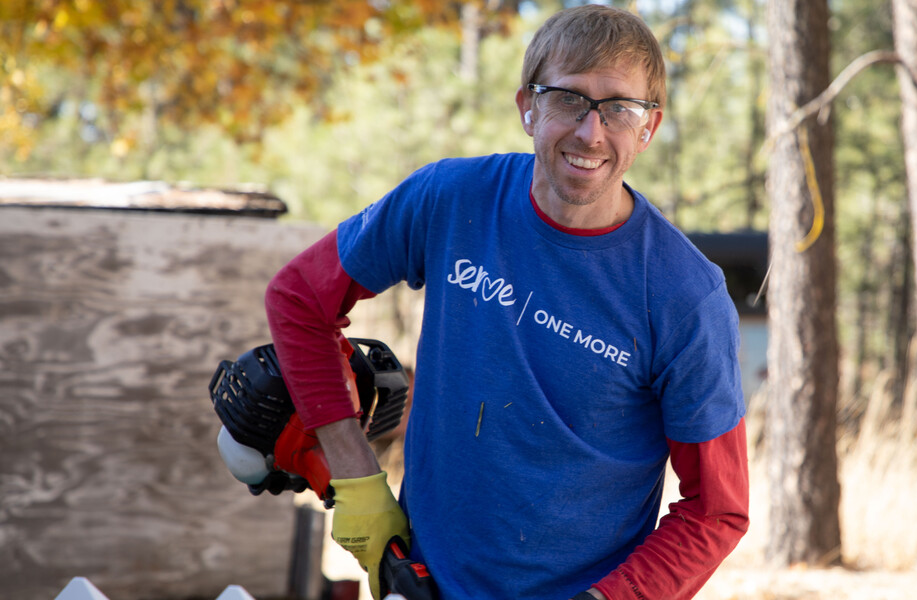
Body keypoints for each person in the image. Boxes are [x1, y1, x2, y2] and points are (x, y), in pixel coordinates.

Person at [265, 5, 749, 599]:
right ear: (528, 106)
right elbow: (298, 298)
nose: (590, 132)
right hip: (418, 584)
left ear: (649, 127)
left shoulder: (684, 295)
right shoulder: (449, 200)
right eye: (568, 98)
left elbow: (717, 509)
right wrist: (356, 476)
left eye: (619, 108)